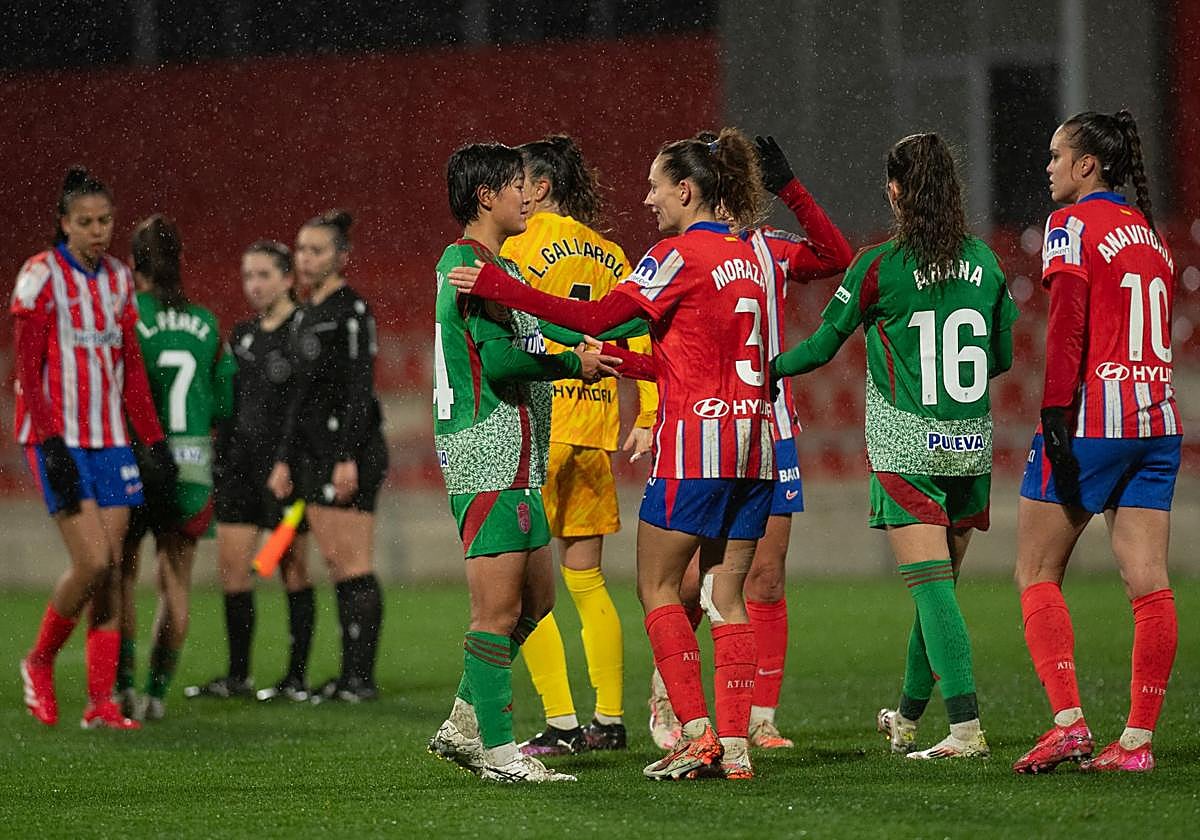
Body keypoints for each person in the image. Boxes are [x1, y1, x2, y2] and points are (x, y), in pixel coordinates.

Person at [449, 128, 776, 781]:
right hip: (743, 441)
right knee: (704, 592)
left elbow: (587, 323)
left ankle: (644, 731)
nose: (647, 197)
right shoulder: (751, 256)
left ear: (686, 189)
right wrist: (629, 385)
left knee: (629, 586)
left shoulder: (662, 254)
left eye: (656, 184)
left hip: (637, 437)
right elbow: (675, 350)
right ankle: (706, 738)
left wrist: (506, 292)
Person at [772, 132, 1018, 760]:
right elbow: (1001, 357)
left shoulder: (879, 266)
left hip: (909, 448)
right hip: (968, 444)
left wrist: (765, 368)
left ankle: (965, 729)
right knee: (937, 591)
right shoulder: (986, 263)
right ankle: (907, 719)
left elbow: (823, 347)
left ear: (896, 190)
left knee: (931, 590)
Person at [648, 134, 855, 752]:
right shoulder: (685, 249)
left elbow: (836, 254)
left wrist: (793, 187)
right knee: (688, 585)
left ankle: (757, 717)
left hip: (770, 429)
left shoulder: (767, 248)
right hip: (706, 428)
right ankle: (672, 692)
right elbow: (667, 344)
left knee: (763, 576)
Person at [426, 141, 621, 783]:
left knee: (537, 600)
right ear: (487, 197)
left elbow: (533, 333)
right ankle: (502, 751)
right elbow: (503, 360)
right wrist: (575, 363)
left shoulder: (490, 265)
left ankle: (464, 722)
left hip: (519, 453)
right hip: (490, 446)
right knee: (497, 613)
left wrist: (591, 336)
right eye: (515, 186)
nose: (526, 195)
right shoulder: (467, 266)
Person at [1012, 110, 1180, 774]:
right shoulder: (1150, 235)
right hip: (1157, 419)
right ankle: (1135, 743)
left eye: (1057, 156)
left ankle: (1069, 724)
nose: (1048, 166)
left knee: (1035, 572)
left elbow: (1070, 320)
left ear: (1088, 165)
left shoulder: (1071, 224)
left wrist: (1056, 409)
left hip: (1094, 418)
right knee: (1149, 582)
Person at [499, 135, 658, 756]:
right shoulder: (615, 256)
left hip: (538, 426)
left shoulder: (517, 245)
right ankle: (610, 721)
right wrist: (644, 413)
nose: (515, 193)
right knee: (587, 582)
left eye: (520, 183)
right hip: (593, 430)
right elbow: (640, 336)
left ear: (539, 188)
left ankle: (561, 724)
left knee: (517, 586)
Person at [14, 166, 176, 729]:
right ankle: (39, 661)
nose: (98, 231)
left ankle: (101, 703)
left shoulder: (117, 280)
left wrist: (153, 441)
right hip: (60, 440)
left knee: (111, 572)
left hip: (111, 442)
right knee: (92, 561)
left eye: (105, 220)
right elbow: (27, 371)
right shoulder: (39, 277)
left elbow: (130, 366)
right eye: (85, 222)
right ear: (64, 224)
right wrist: (49, 439)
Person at [115, 214, 236, 721]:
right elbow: (225, 402)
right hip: (191, 464)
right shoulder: (206, 323)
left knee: (122, 576)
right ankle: (158, 694)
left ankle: (123, 691)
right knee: (177, 583)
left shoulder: (126, 317)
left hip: (136, 457)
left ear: (133, 264)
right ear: (179, 263)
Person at [185, 240, 316, 703]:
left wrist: (291, 462)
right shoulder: (241, 335)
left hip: (286, 473)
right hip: (238, 469)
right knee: (233, 571)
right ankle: (238, 675)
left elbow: (306, 408)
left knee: (292, 570)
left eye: (263, 275)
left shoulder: (303, 331)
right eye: (248, 277)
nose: (254, 285)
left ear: (286, 278)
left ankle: (295, 678)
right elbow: (229, 404)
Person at [266, 211, 388, 703]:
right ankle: (346, 675)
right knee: (335, 561)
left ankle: (361, 678)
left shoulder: (351, 310)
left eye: (316, 250)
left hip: (349, 451)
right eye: (301, 249)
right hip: (313, 454)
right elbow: (299, 397)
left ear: (341, 257)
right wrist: (283, 458)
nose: (305, 258)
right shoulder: (304, 313)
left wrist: (346, 456)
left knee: (352, 561)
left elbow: (360, 388)